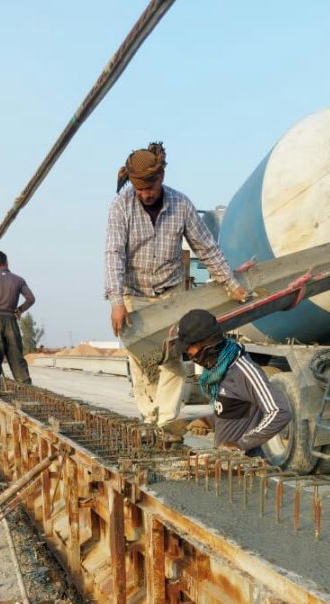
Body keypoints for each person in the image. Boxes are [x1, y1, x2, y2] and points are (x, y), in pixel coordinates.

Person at [104, 142, 247, 428]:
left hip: (171, 295)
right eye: (140, 190)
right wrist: (116, 302)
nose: (145, 195)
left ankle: (166, 422)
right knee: (142, 362)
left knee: (172, 361)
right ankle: (150, 416)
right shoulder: (121, 207)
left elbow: (205, 247)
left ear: (161, 179)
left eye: (150, 188)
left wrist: (231, 284)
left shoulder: (181, 205)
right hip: (135, 297)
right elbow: (113, 254)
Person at [170, 309, 291, 456]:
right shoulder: (219, 370)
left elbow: (280, 411)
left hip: (244, 467)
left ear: (206, 344)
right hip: (224, 463)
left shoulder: (243, 370)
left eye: (189, 348)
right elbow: (235, 411)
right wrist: (208, 421)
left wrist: (241, 444)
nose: (188, 353)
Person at [0, 251, 35, 392]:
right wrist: (20, 310)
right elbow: (31, 299)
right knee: (15, 353)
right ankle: (26, 385)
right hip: (11, 319)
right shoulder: (18, 280)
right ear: (7, 262)